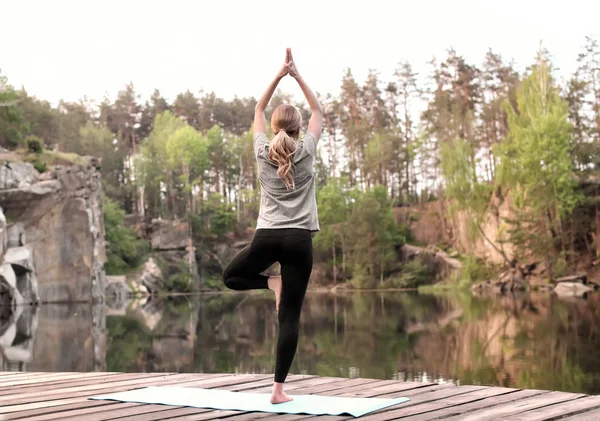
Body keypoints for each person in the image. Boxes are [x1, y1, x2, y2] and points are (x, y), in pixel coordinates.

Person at [222, 48, 322, 404]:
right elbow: (319, 111)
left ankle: (270, 283)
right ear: (297, 129)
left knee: (230, 277)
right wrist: (297, 76)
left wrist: (279, 76)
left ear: (276, 128)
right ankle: (277, 391)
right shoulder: (307, 149)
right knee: (290, 318)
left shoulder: (262, 149)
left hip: (266, 237)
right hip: (299, 240)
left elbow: (257, 110)